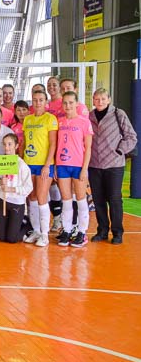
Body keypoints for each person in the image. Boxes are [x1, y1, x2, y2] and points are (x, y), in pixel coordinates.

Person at [89, 88, 138, 244]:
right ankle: (102, 231)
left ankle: (117, 232)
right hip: (94, 165)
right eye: (97, 99)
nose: (100, 102)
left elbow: (131, 137)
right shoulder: (89, 116)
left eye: (103, 99)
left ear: (109, 99)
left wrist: (119, 150)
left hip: (114, 164)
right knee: (98, 200)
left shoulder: (119, 114)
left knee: (115, 199)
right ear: (93, 100)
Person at [55, 92, 93, 248]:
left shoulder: (84, 122)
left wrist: (84, 169)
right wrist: (56, 166)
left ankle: (82, 232)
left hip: (78, 165)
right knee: (66, 200)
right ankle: (67, 230)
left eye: (71, 102)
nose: (68, 106)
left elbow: (88, 147)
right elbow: (57, 144)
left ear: (76, 104)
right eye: (65, 103)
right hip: (62, 165)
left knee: (81, 199)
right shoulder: (59, 122)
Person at [22, 89, 58, 247]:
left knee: (43, 198)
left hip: (44, 165)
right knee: (32, 198)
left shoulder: (50, 119)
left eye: (41, 100)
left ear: (46, 102)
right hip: (30, 164)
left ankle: (45, 234)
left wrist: (47, 165)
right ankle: (36, 230)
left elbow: (53, 143)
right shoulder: (28, 120)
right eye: (35, 100)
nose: (37, 102)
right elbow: (24, 142)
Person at [0, 134, 33, 243]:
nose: (7, 147)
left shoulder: (22, 165)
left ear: (16, 146)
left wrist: (12, 189)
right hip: (2, 201)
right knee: (1, 237)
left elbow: (28, 188)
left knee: (12, 239)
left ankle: (27, 225)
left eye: (10, 144)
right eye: (4, 144)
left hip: (16, 204)